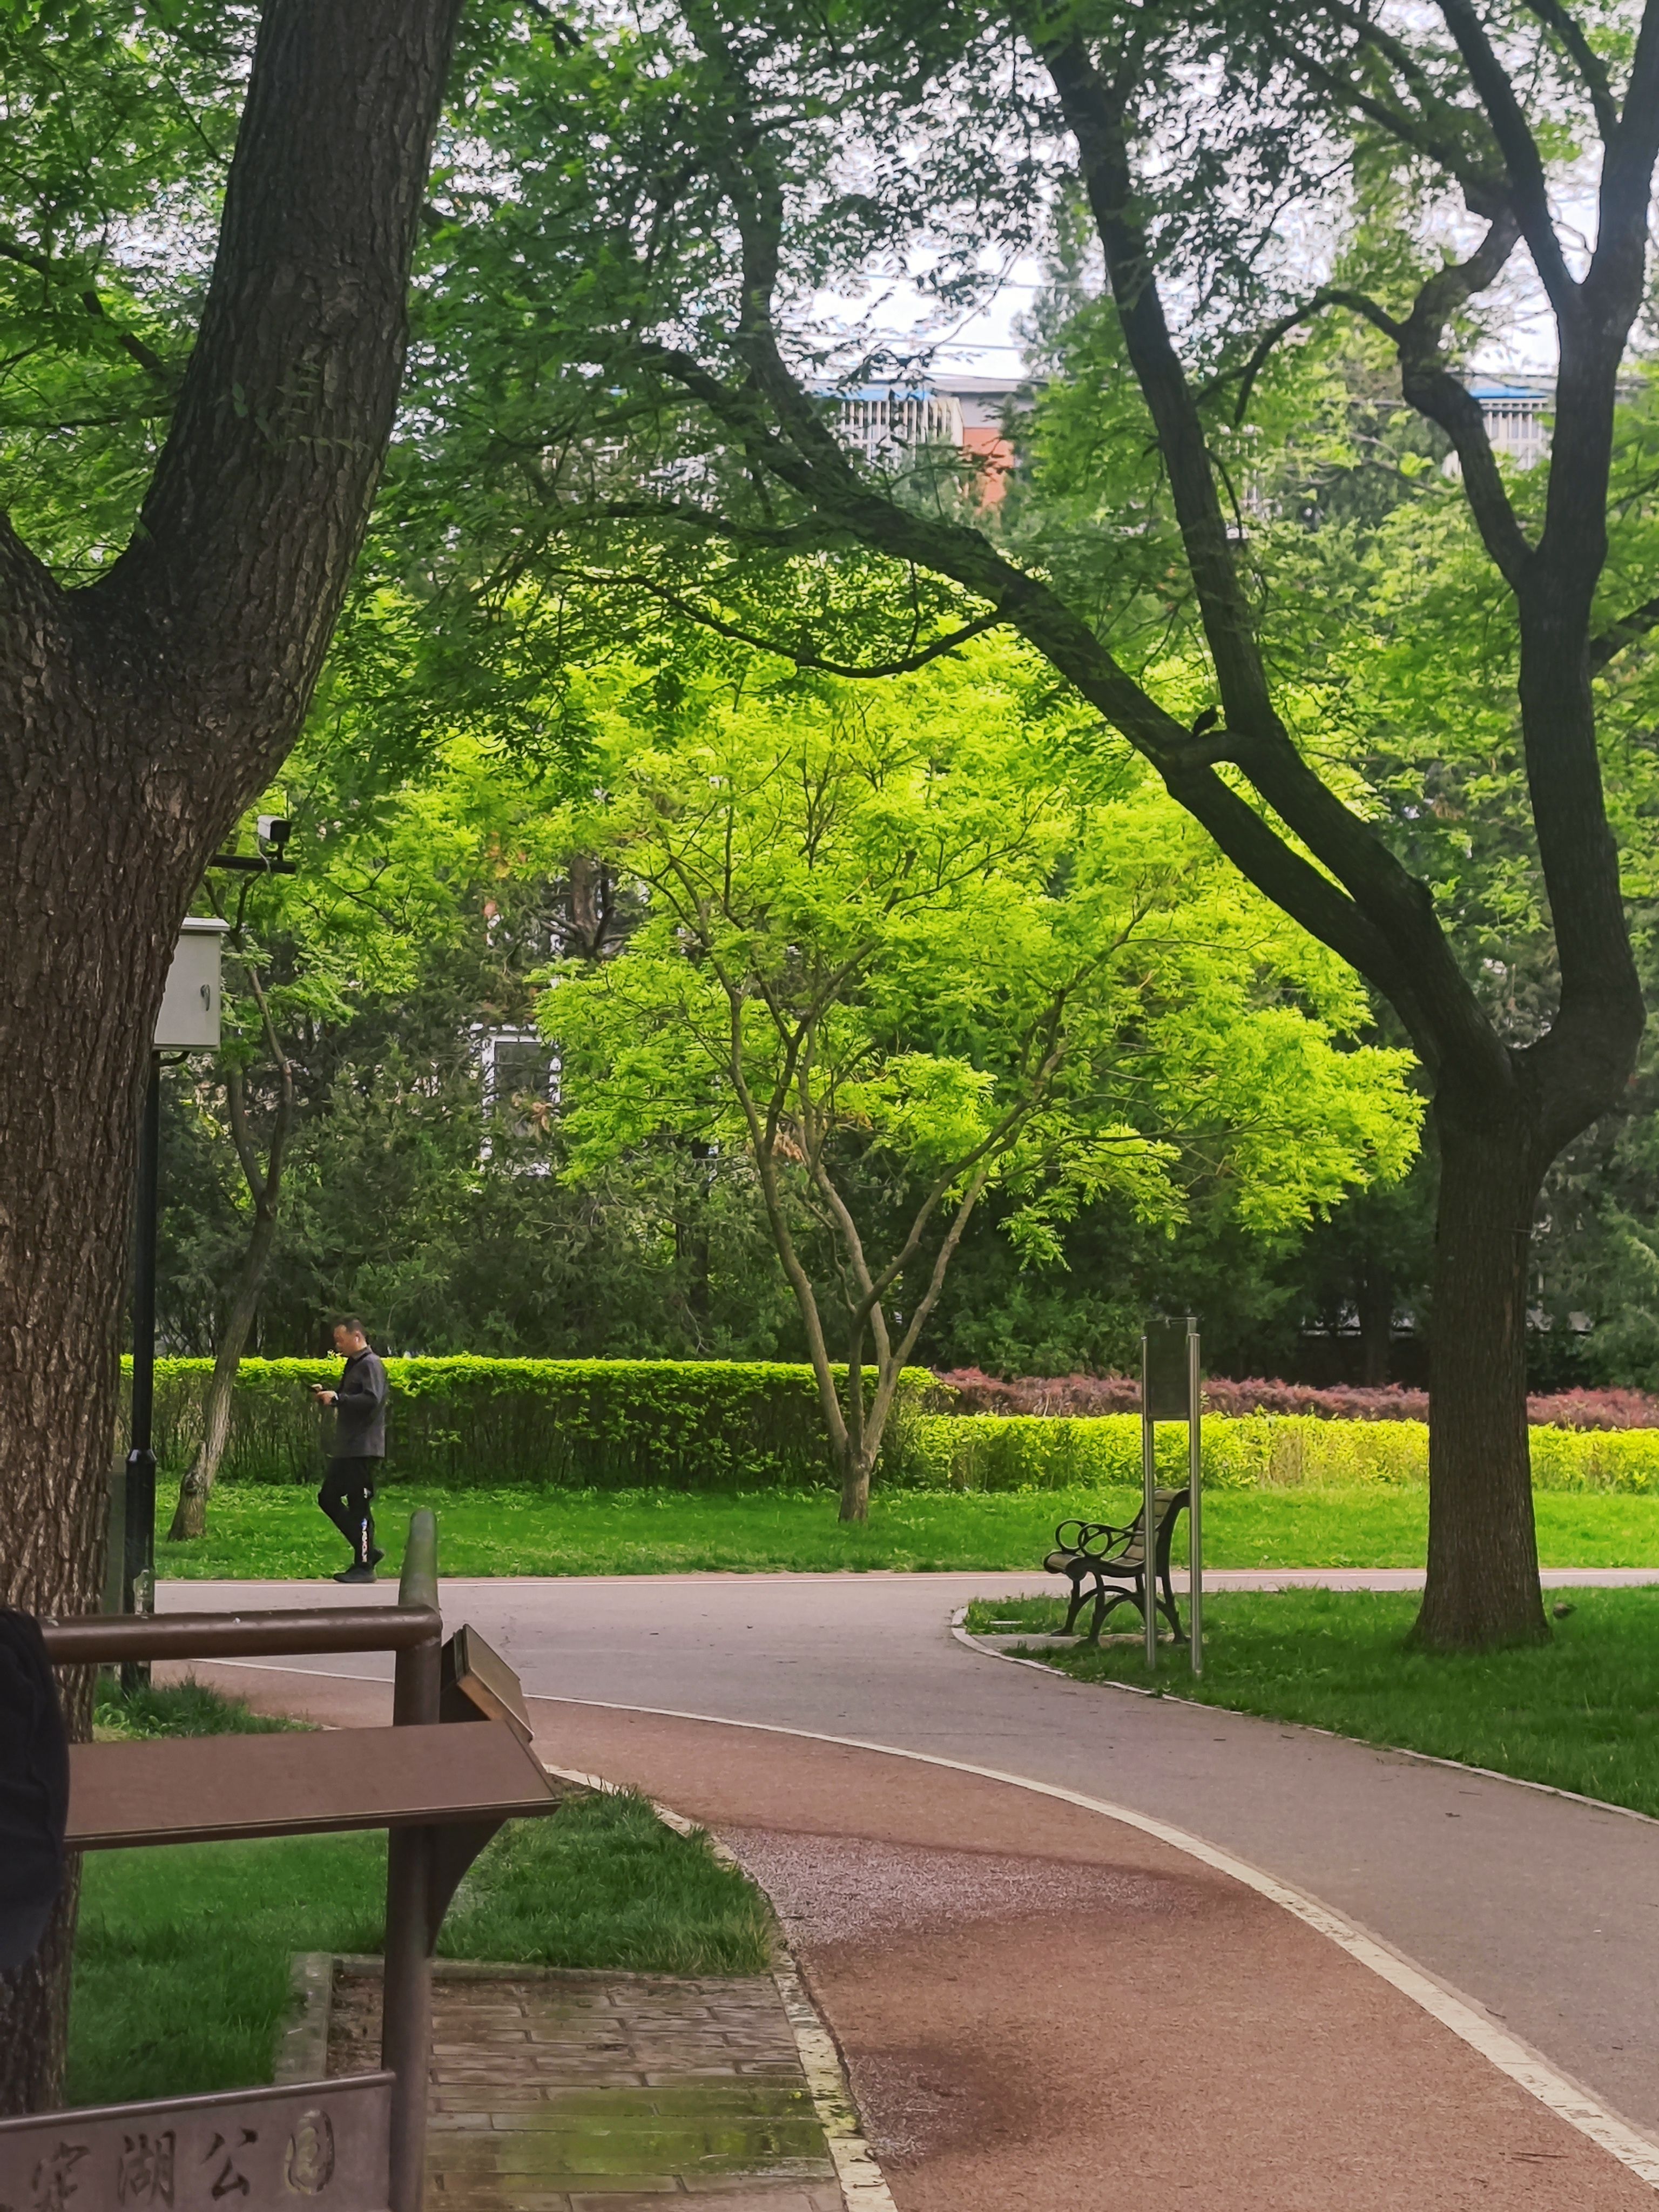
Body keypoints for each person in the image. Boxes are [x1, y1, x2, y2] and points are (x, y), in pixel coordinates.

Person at [312, 1318, 388, 1583]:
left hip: (363, 1447)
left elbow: (371, 1399)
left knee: (359, 1504)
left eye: (340, 1340)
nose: (337, 1345)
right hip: (348, 1447)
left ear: (357, 1337)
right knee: (328, 1497)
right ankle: (367, 1550)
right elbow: (350, 1399)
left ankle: (364, 1566)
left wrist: (339, 1398)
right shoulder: (353, 1365)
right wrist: (331, 1397)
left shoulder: (371, 1364)